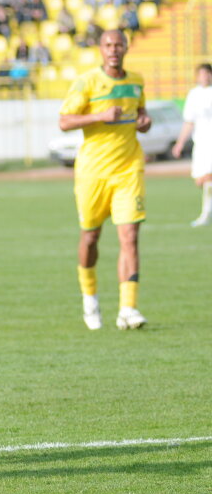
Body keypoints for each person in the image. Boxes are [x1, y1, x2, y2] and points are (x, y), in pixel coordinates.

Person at [59, 29, 150, 331]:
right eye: (108, 45)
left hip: (128, 169)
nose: (114, 49)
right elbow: (64, 121)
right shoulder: (87, 82)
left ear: (126, 47)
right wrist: (98, 117)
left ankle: (128, 308)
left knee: (130, 238)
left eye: (118, 44)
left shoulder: (136, 81)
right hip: (93, 173)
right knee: (90, 237)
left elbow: (141, 114)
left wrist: (144, 122)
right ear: (100, 49)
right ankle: (90, 298)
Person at [171, 62, 212, 227]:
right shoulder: (194, 95)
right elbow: (189, 121)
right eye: (202, 74)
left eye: (207, 73)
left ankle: (205, 214)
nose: (205, 77)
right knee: (201, 180)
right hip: (201, 143)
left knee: (208, 178)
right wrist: (180, 143)